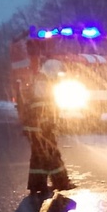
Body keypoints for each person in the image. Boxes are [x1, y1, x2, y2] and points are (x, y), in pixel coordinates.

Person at [21, 66, 73, 195]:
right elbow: (43, 109)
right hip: (42, 129)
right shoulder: (44, 86)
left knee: (38, 157)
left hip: (37, 129)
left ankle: (37, 185)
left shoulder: (40, 83)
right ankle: (61, 183)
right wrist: (48, 127)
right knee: (52, 155)